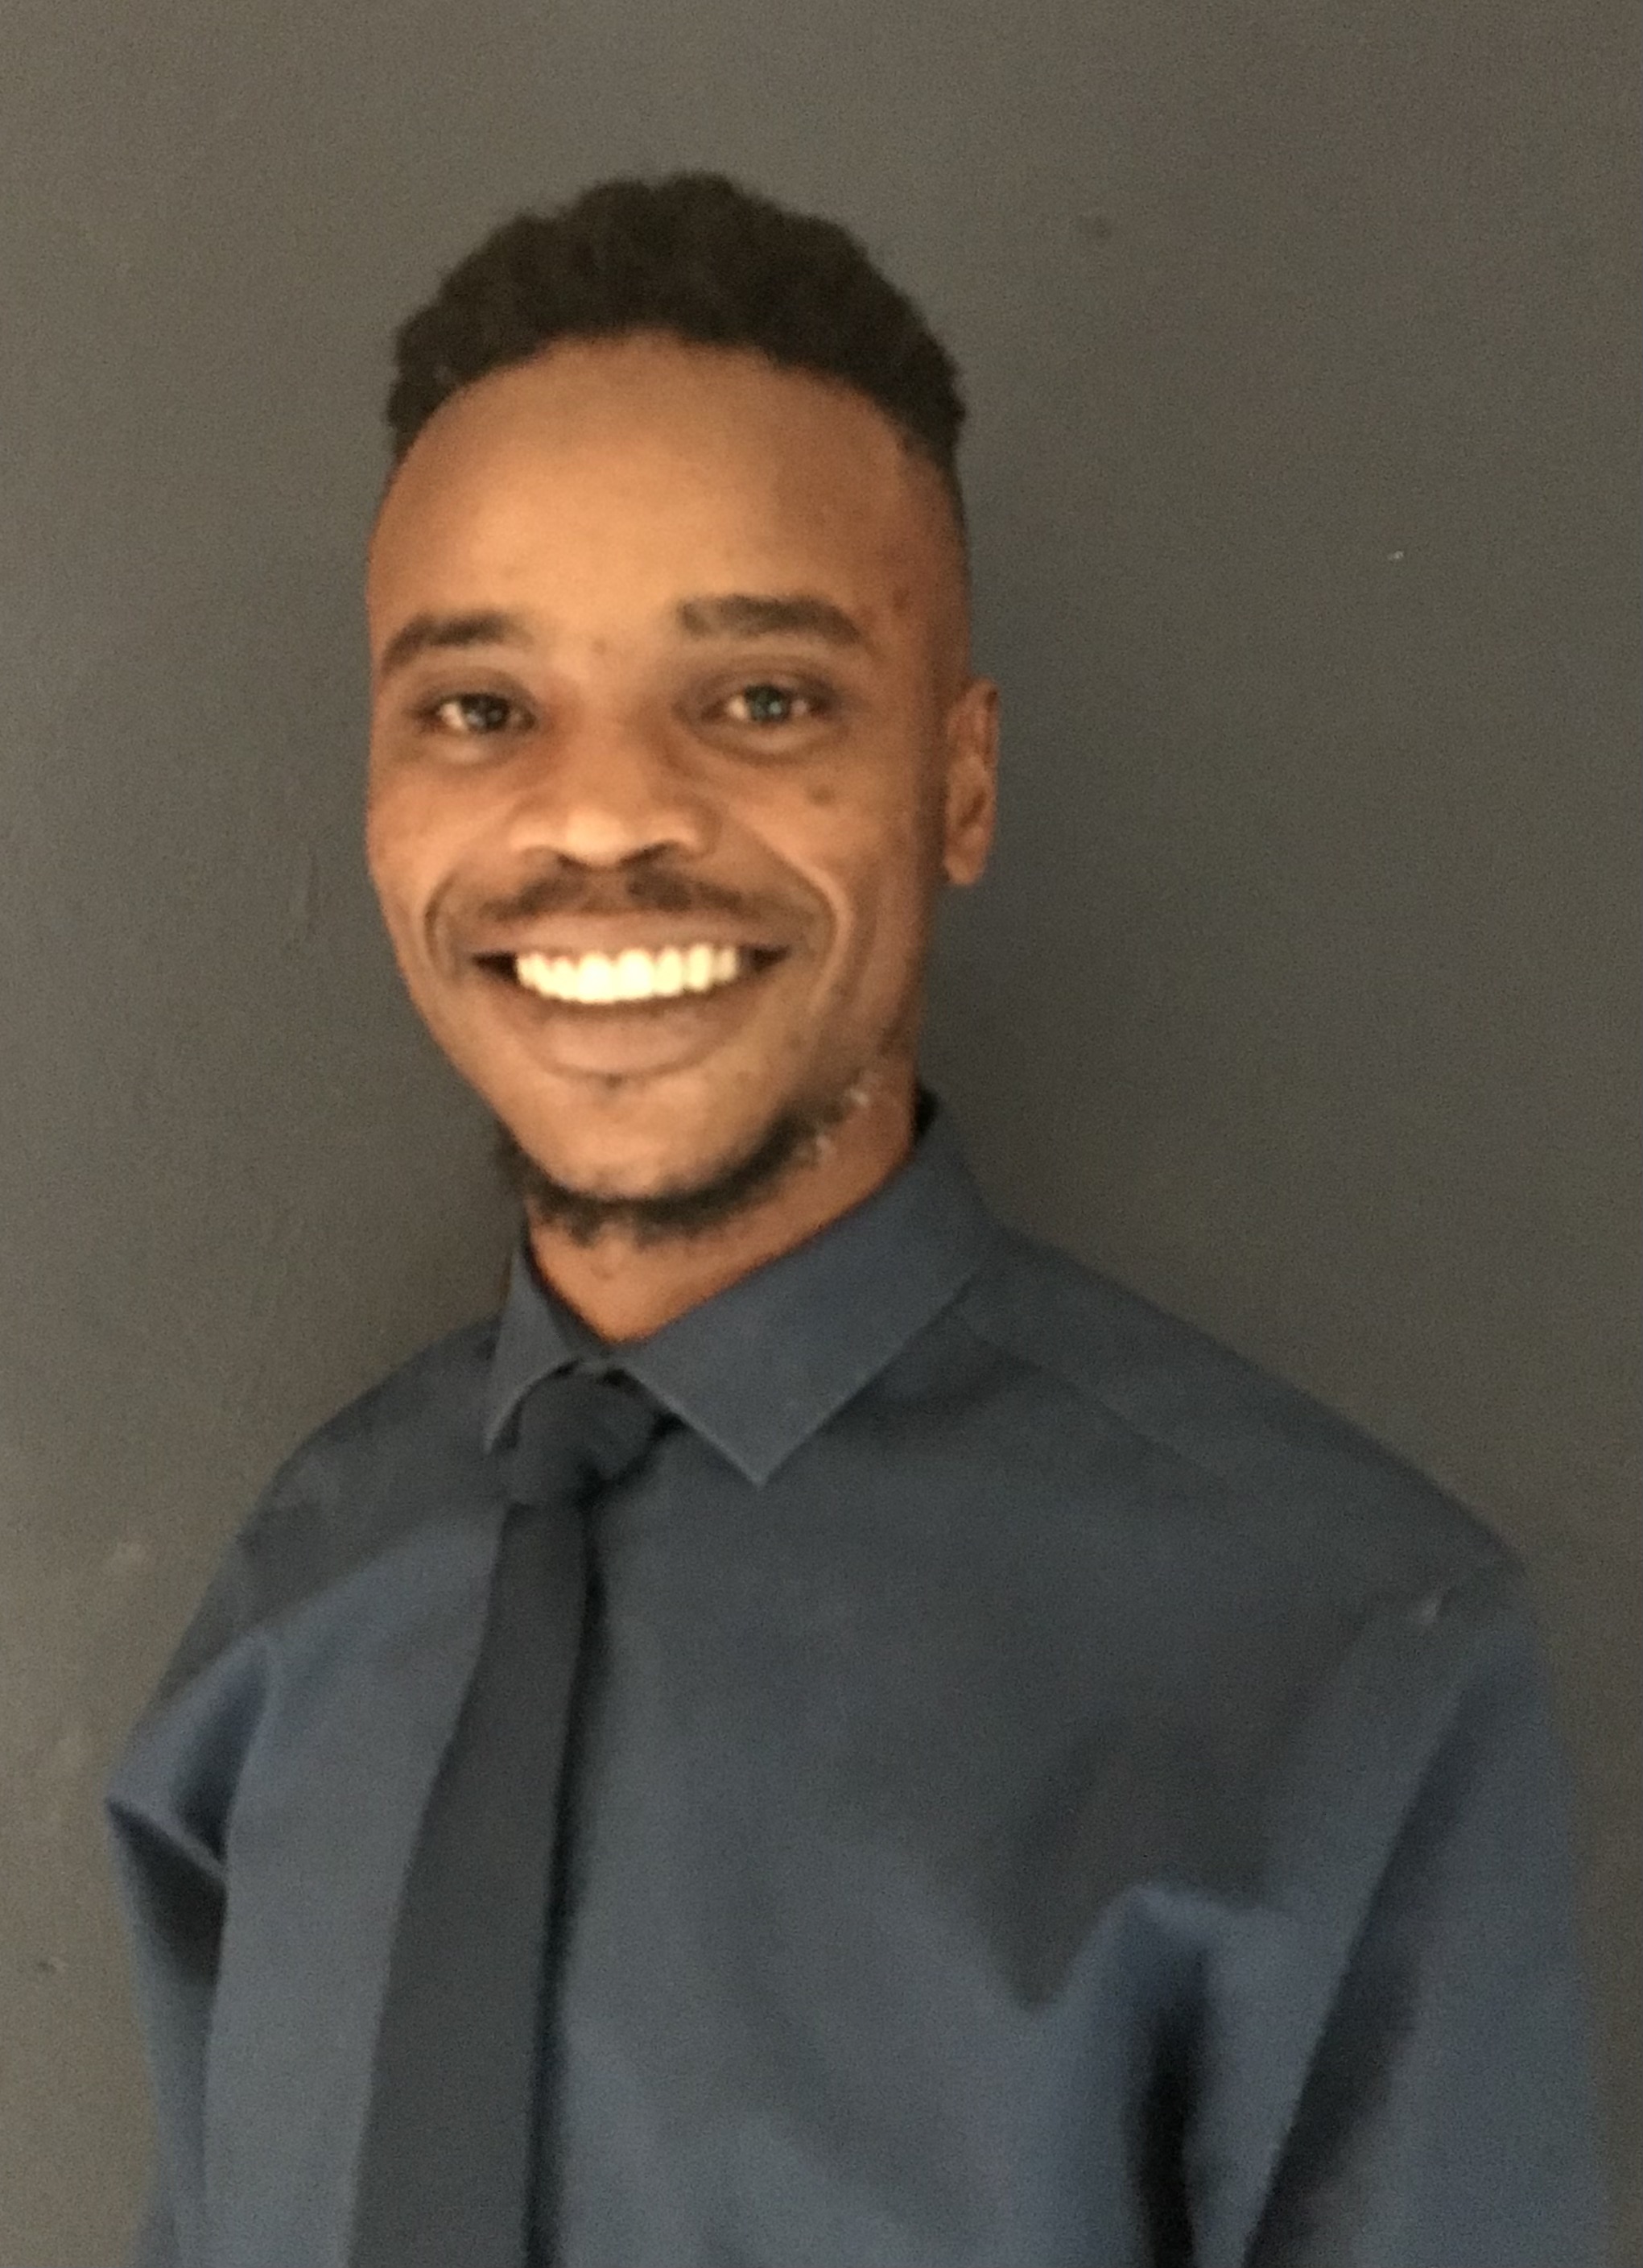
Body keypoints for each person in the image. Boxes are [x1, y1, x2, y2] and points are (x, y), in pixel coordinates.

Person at [104, 171, 1608, 2268]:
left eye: (762, 699)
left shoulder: (1324, 1671)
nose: (602, 808)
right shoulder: (291, 1610)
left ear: (957, 784)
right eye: (478, 705)